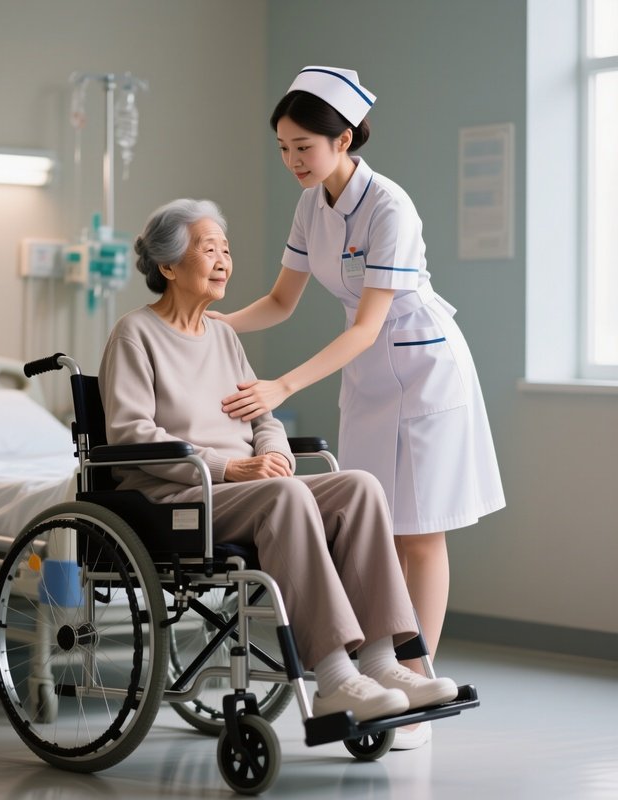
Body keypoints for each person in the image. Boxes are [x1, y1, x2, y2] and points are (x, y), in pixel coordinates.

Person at [208, 67, 505, 748]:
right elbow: (282, 301)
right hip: (367, 379)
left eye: (303, 147)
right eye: (283, 148)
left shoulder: (389, 207)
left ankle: (415, 682)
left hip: (423, 371)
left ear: (343, 139)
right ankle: (381, 672)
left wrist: (280, 387)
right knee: (371, 528)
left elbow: (368, 325)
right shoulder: (312, 203)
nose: (291, 161)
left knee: (420, 533)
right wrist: (213, 322)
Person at [98, 197, 459, 725]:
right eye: (208, 249)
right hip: (180, 495)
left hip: (248, 489)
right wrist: (228, 468)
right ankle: (335, 679)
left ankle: (382, 662)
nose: (223, 259)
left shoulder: (223, 336)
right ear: (169, 266)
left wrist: (270, 451)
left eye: (226, 248)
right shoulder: (136, 334)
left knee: (359, 486)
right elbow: (131, 434)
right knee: (285, 496)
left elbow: (262, 412)